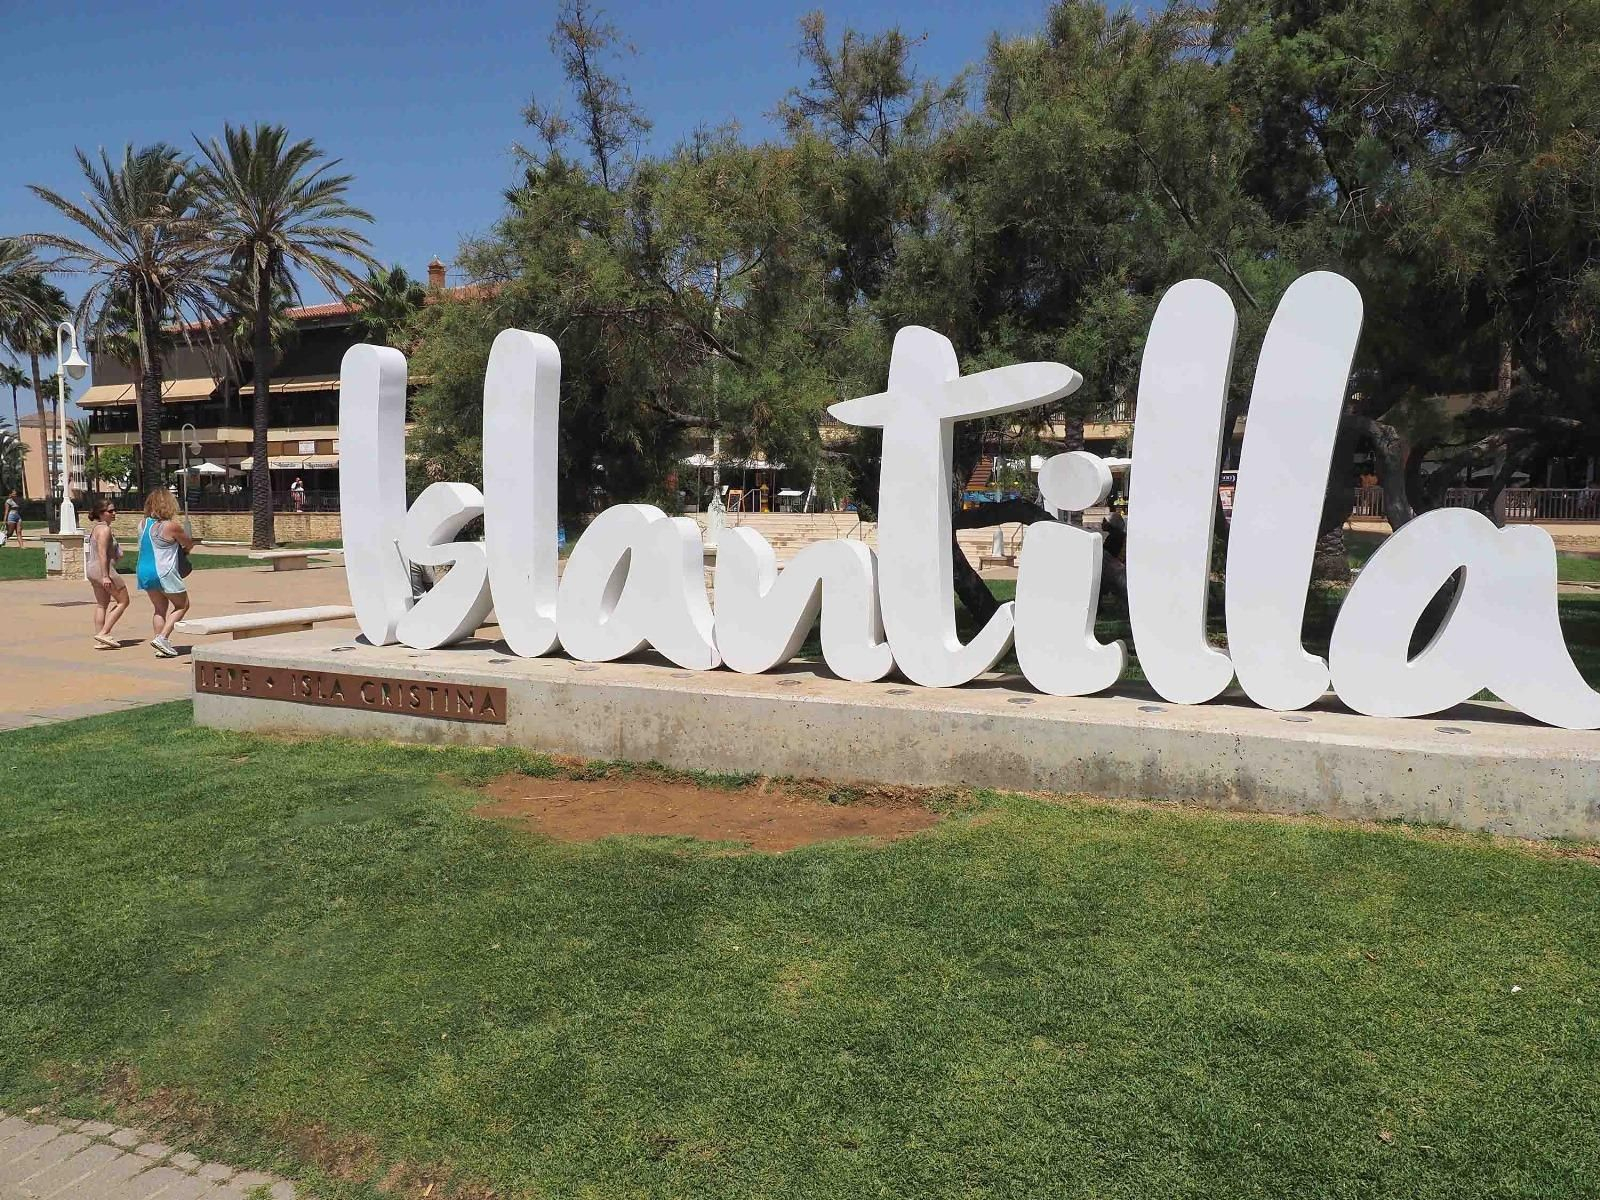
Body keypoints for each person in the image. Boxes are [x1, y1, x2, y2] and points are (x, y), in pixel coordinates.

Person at [135, 488, 194, 658]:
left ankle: (160, 645)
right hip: (164, 572)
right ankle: (162, 638)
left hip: (144, 571)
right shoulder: (171, 526)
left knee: (159, 609)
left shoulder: (142, 524)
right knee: (182, 605)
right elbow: (188, 543)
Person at [85, 498, 129, 648]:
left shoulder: (97, 529)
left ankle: (101, 639)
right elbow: (102, 553)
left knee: (101, 605)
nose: (114, 513)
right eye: (110, 511)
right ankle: (104, 633)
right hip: (103, 570)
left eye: (114, 510)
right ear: (101, 513)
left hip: (92, 569)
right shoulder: (104, 530)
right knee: (123, 601)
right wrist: (105, 576)